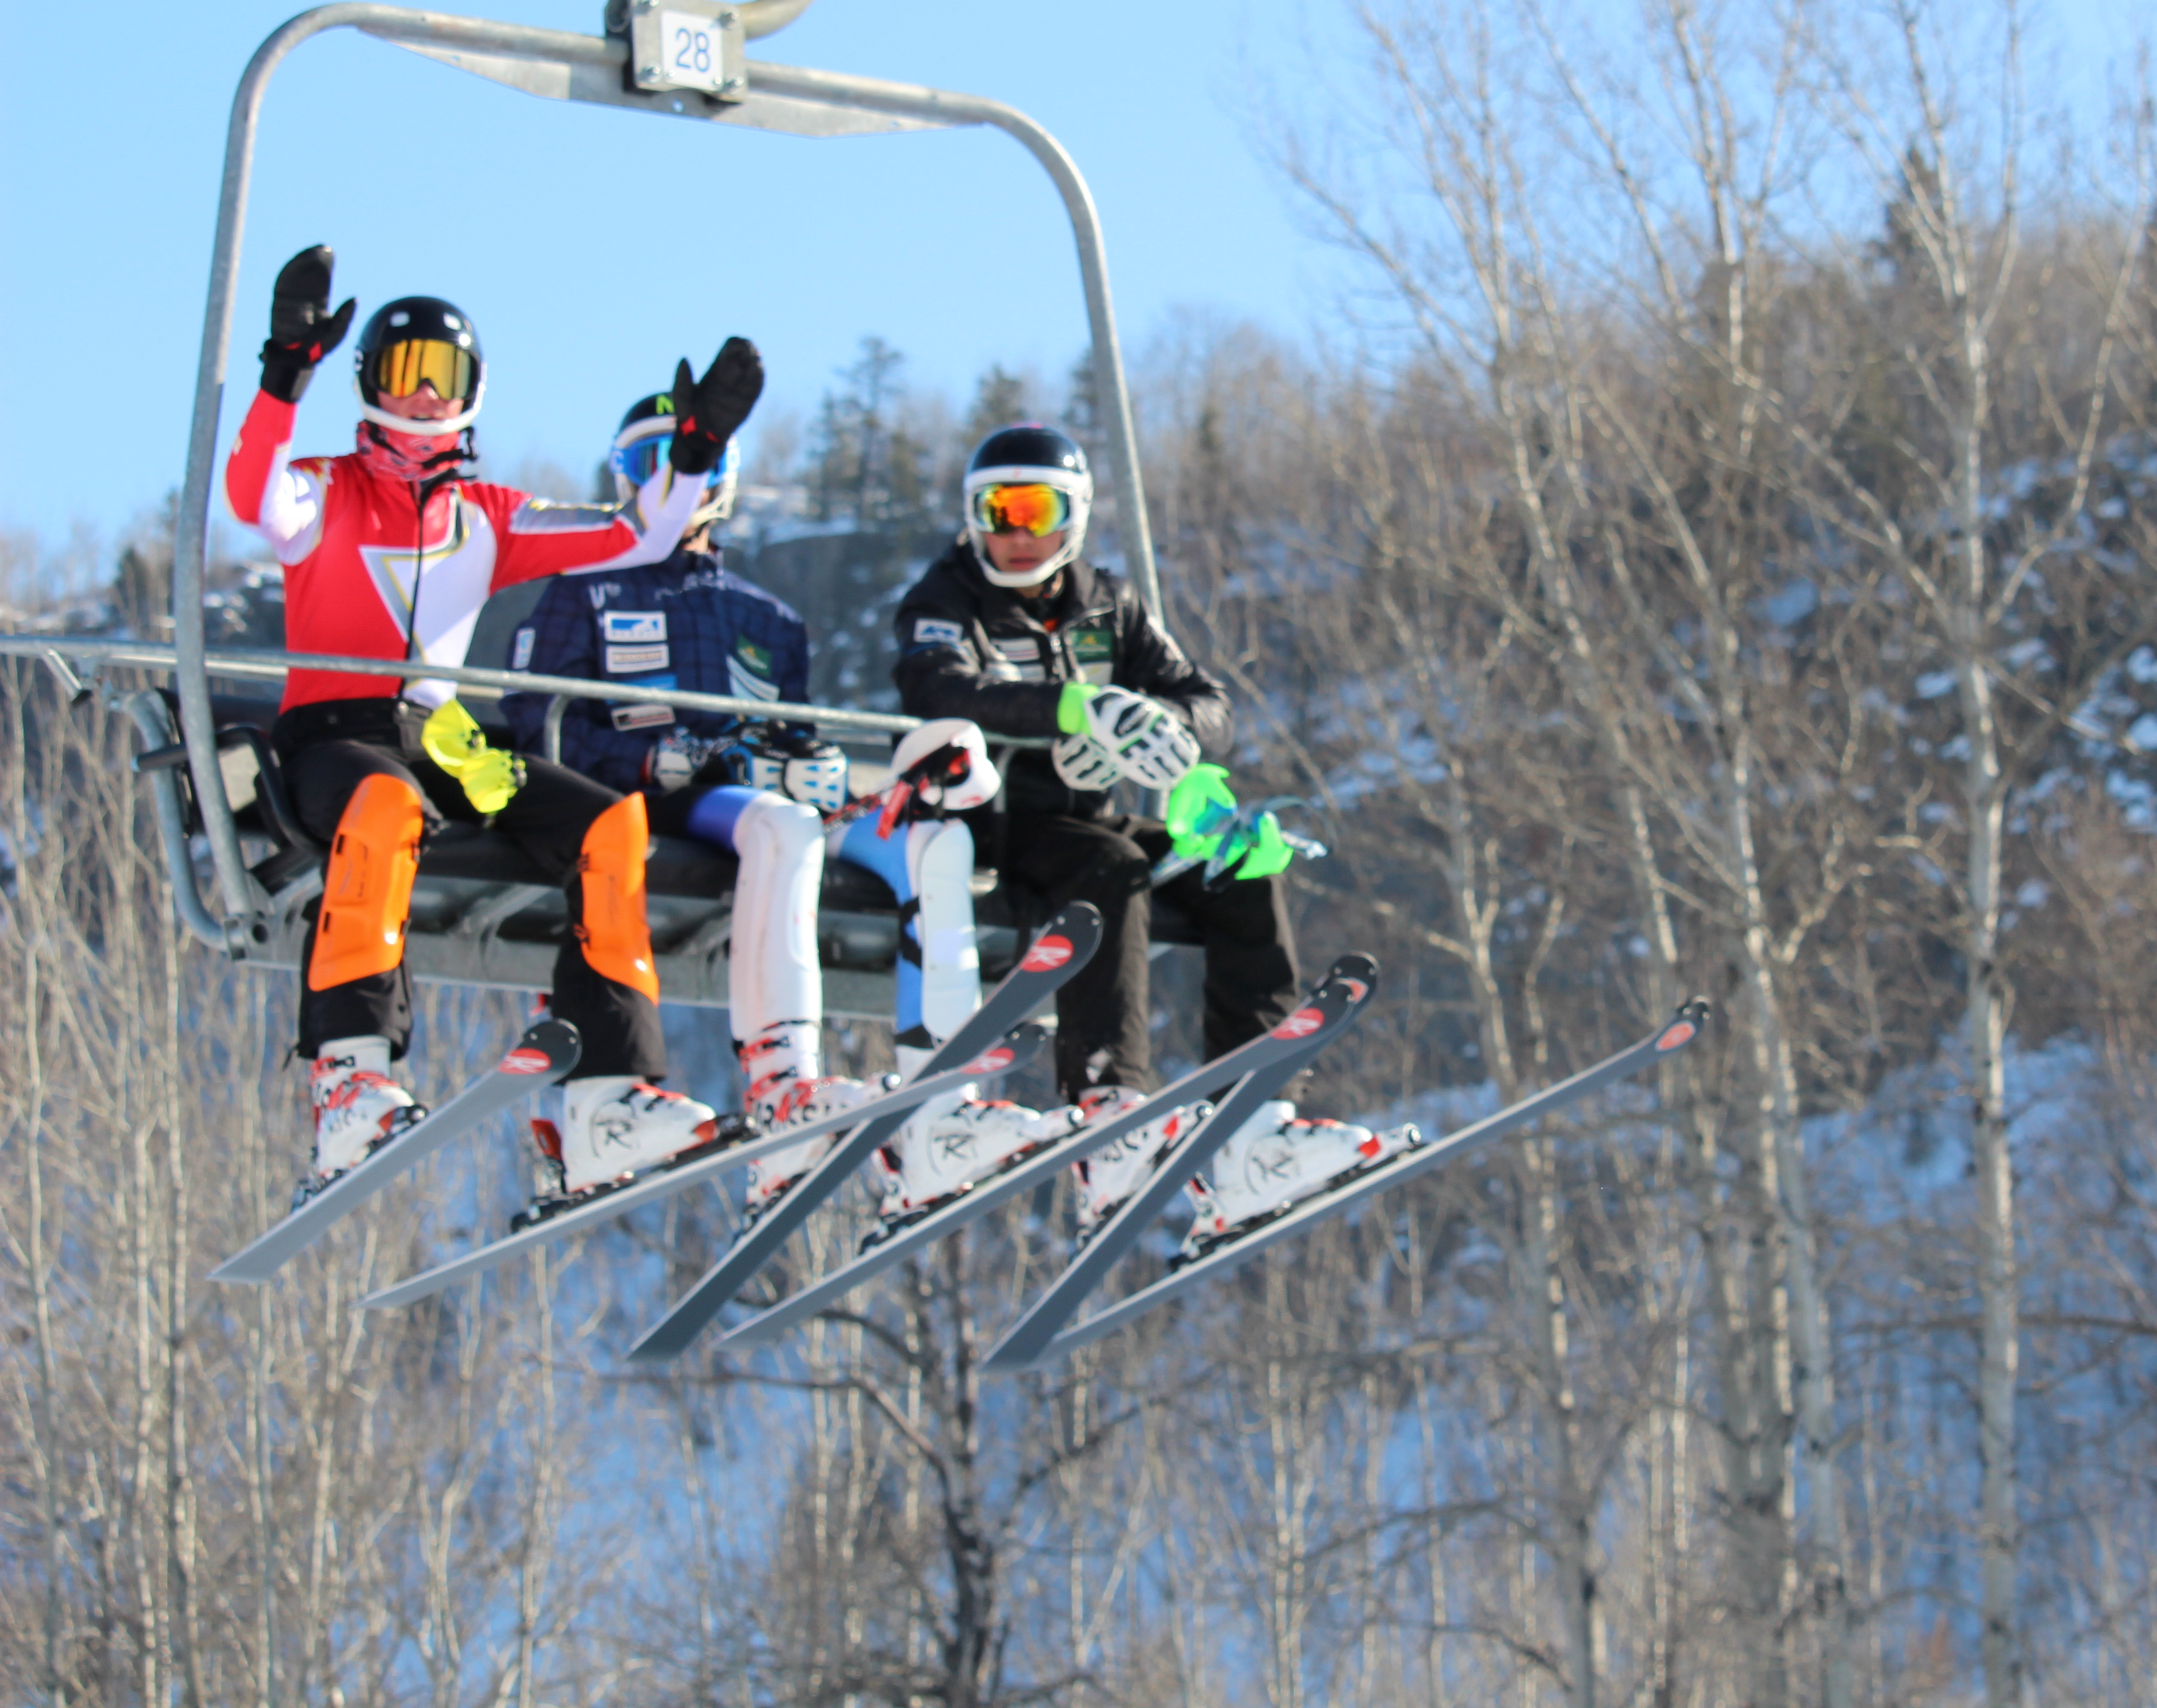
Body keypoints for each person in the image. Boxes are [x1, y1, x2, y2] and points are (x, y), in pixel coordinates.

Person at [222, 244, 762, 1206]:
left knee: (610, 825)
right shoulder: (326, 491)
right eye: (405, 374)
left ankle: (605, 1095)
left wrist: (693, 453)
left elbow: (638, 535)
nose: (426, 397)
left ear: (473, 390)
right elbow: (250, 494)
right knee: (382, 806)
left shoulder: (486, 515)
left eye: (446, 376)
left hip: (442, 743)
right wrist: (281, 376)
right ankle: (349, 1076)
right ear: (370, 385)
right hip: (332, 736)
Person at [502, 394, 1071, 1226]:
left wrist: (822, 767)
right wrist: (649, 758)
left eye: (697, 461)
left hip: (753, 793)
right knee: (783, 824)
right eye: (646, 462)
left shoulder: (766, 619)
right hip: (651, 800)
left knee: (932, 843)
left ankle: (934, 1110)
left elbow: (793, 734)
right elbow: (534, 723)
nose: (675, 480)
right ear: (618, 479)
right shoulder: (580, 591)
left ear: (727, 480)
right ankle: (781, 1084)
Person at [888, 423, 1388, 1255]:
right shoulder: (946, 599)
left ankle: (1255, 1123)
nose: (1014, 534)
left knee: (1238, 864)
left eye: (1034, 510)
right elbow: (936, 686)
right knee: (1113, 865)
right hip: (995, 827)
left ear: (1074, 515)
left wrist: (1168, 726)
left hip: (1087, 821)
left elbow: (1212, 703)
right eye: (994, 512)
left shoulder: (1109, 605)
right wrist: (1072, 709)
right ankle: (1108, 1105)